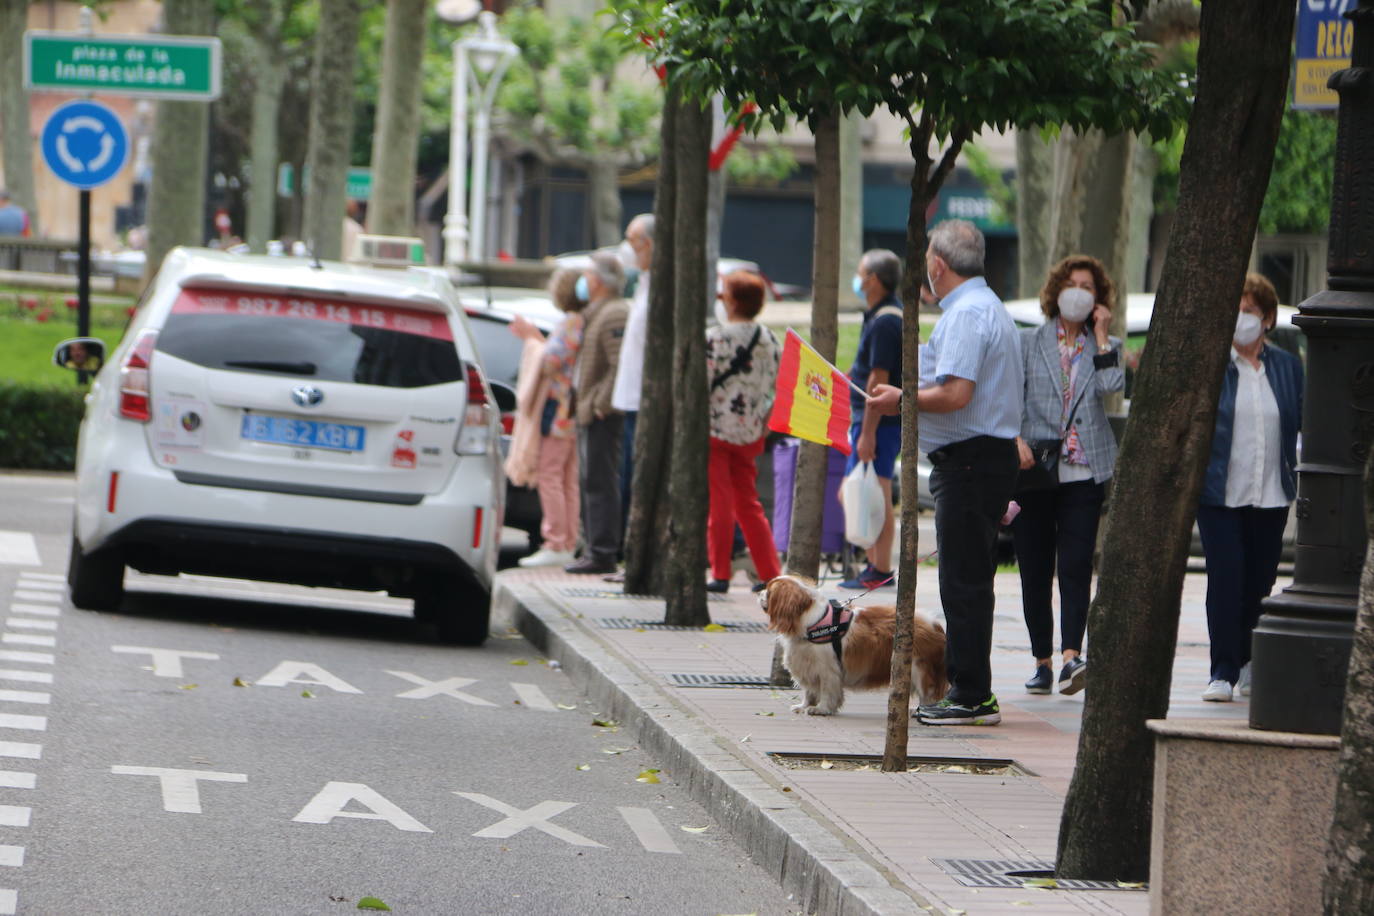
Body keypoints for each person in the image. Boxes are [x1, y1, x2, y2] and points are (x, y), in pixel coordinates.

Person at [911, 220, 1024, 727]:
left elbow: (956, 393)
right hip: (981, 459)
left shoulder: (966, 313)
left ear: (937, 263)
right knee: (969, 579)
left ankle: (971, 694)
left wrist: (901, 399)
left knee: (963, 583)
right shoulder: (987, 306)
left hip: (972, 461)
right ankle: (971, 689)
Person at [1012, 255, 1124, 697]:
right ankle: (1041, 658)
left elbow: (1113, 387)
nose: (1078, 291)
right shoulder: (1027, 342)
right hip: (1034, 468)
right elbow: (1008, 396)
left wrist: (1100, 336)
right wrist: (1014, 439)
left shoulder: (1105, 343)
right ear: (1056, 291)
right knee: (1034, 567)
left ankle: (1071, 656)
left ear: (1098, 300)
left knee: (1076, 566)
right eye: (1071, 284)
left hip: (1084, 470)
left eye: (1088, 286)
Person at [1197, 273, 1303, 703]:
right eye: (1237, 312)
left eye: (1251, 312)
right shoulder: (1215, 367)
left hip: (1271, 491)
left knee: (1259, 581)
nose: (1243, 320)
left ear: (1268, 318)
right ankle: (1221, 669)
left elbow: (1301, 419)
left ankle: (1247, 660)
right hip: (1221, 491)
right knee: (1226, 577)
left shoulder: (1287, 367)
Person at [705, 270, 782, 593]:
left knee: (720, 504)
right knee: (749, 505)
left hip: (715, 430)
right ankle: (770, 573)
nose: (720, 299)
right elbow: (779, 387)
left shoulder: (714, 339)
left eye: (723, 293)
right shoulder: (769, 340)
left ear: (733, 301)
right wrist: (763, 423)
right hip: (751, 432)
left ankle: (720, 572)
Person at [508, 268, 587, 568]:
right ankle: (566, 540)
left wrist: (532, 339)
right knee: (567, 478)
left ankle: (556, 540)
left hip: (559, 410)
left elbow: (551, 361)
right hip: (572, 410)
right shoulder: (582, 323)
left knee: (551, 475)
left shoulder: (570, 323)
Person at [839, 248, 904, 590]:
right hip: (875, 421)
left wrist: (867, 434)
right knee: (858, 493)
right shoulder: (879, 317)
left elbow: (878, 381)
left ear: (873, 280)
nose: (857, 278)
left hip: (882, 424)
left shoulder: (885, 322)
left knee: (875, 494)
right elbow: (868, 369)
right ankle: (875, 563)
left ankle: (879, 568)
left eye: (861, 272)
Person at [566, 251, 629, 574]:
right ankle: (594, 548)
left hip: (601, 413)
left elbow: (619, 366)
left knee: (600, 480)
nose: (584, 281)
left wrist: (600, 405)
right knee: (591, 480)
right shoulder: (599, 312)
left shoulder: (614, 313)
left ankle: (602, 551)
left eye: (589, 275)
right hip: (589, 410)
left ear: (600, 281)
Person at [611, 214, 655, 533]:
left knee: (635, 478)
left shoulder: (658, 290)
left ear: (648, 245)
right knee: (626, 476)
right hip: (630, 399)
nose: (627, 248)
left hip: (643, 400)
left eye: (632, 239)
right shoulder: (641, 284)